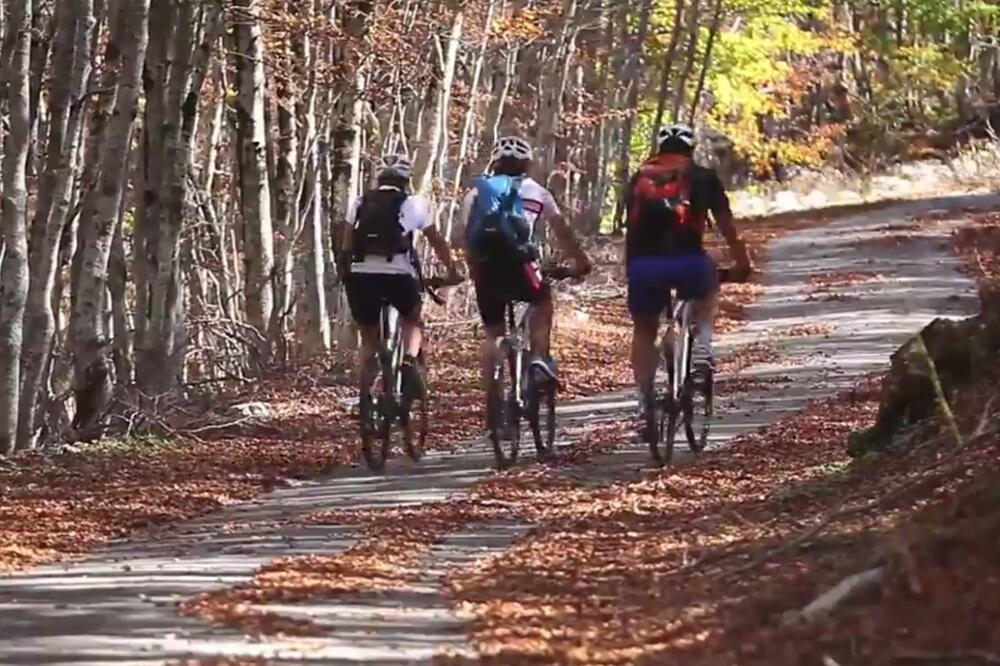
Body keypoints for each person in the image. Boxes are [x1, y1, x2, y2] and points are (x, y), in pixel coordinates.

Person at [624, 123, 753, 419]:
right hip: (689, 263)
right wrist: (742, 263)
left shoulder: (638, 179)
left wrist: (630, 270)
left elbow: (630, 230)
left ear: (658, 149)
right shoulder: (702, 177)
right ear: (691, 148)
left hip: (643, 266)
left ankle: (644, 400)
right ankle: (702, 352)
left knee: (645, 330)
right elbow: (727, 227)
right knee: (705, 299)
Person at [459, 136, 592, 398]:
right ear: (527, 165)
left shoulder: (476, 193)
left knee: (492, 332)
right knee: (542, 301)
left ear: (494, 163)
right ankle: (539, 359)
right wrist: (581, 263)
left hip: (486, 269)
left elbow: (463, 237)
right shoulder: (538, 192)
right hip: (522, 265)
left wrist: (472, 266)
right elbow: (562, 232)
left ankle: (493, 401)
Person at [339, 155, 461, 403]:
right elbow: (436, 240)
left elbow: (346, 243)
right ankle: (408, 360)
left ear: (379, 179)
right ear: (406, 180)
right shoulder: (414, 203)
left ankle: (366, 388)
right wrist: (452, 269)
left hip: (361, 275)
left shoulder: (360, 202)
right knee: (412, 318)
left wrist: (348, 272)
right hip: (398, 275)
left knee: (368, 336)